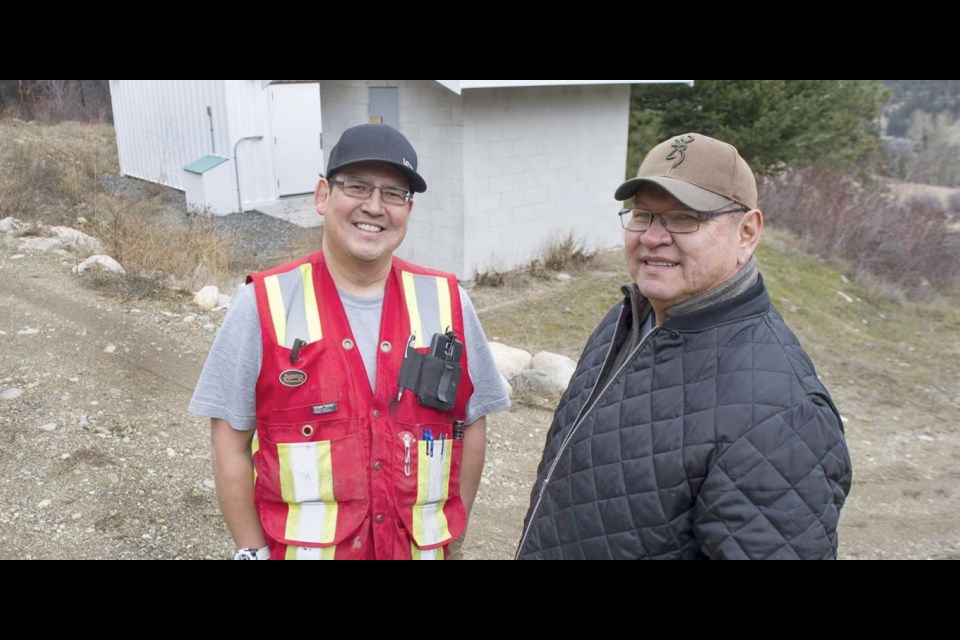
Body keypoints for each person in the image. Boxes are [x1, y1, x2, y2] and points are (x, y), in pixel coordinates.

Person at [516, 133, 852, 560]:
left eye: (683, 217)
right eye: (642, 215)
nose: (653, 237)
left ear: (747, 232)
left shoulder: (781, 414)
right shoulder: (629, 319)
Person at [190, 123, 510, 560]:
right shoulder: (262, 303)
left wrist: (451, 531)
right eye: (357, 186)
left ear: (408, 211)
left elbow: (473, 421)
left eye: (394, 194)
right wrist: (252, 551)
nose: (375, 207)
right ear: (323, 195)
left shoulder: (450, 302)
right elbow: (229, 438)